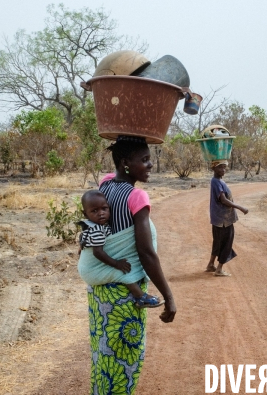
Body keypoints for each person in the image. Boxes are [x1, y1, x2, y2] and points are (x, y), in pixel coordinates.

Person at [77, 135, 176, 395]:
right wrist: (169, 295)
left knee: (103, 354)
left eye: (149, 159)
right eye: (144, 160)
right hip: (123, 294)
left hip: (100, 291)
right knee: (123, 362)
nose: (150, 165)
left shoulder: (105, 185)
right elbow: (146, 252)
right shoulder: (137, 197)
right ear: (125, 163)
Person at [77, 189, 164, 308]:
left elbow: (84, 237)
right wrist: (116, 263)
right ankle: (140, 297)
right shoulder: (96, 229)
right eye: (94, 211)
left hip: (87, 269)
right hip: (91, 271)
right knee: (123, 273)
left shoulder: (93, 224)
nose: (101, 213)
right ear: (85, 214)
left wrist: (81, 247)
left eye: (104, 209)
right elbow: (97, 252)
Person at [205, 159, 249, 277]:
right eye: (220, 167)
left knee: (218, 242)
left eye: (224, 167)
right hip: (223, 220)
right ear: (213, 168)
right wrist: (240, 207)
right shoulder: (216, 182)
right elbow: (223, 200)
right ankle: (219, 269)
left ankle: (210, 265)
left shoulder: (217, 181)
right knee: (226, 242)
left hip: (219, 218)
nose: (223, 170)